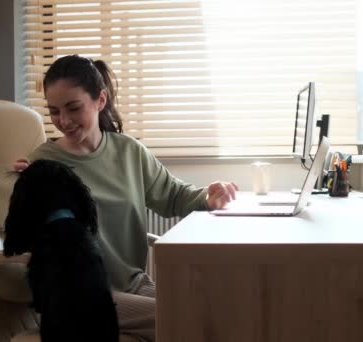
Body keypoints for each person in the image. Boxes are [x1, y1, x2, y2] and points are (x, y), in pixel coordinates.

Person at [13, 54, 238, 341]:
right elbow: (25, 235)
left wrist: (209, 197)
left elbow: (174, 196)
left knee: (216, 309)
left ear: (100, 100)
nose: (64, 121)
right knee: (189, 318)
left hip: (133, 285)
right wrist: (27, 190)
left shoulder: (129, 151)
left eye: (73, 108)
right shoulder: (43, 164)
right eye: (55, 111)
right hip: (80, 294)